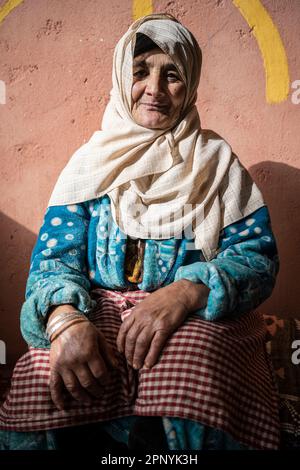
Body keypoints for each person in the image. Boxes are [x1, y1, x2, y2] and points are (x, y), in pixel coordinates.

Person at [0, 13, 280, 451]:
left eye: (172, 75)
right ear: (119, 77)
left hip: (195, 314)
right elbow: (53, 260)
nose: (154, 89)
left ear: (190, 84)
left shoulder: (217, 163)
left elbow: (257, 258)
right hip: (100, 306)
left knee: (193, 369)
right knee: (46, 372)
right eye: (140, 72)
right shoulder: (89, 165)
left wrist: (186, 291)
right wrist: (65, 320)